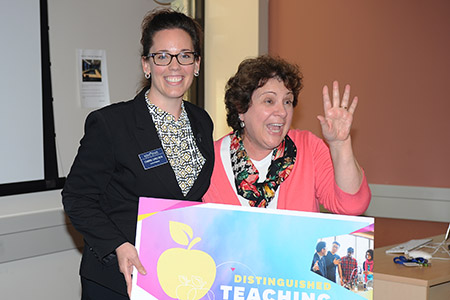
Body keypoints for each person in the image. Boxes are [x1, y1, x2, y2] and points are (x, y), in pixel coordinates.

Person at [62, 8, 214, 299]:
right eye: (162, 56)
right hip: (118, 278)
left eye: (184, 55)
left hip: (176, 275)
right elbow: (77, 198)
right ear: (146, 64)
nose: (174, 65)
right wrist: (118, 245)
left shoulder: (202, 121)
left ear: (196, 64)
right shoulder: (111, 124)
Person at [202, 55, 371, 213]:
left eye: (287, 101)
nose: (282, 112)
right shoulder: (209, 160)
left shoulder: (308, 148)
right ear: (241, 108)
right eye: (269, 101)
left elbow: (352, 206)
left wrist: (340, 144)